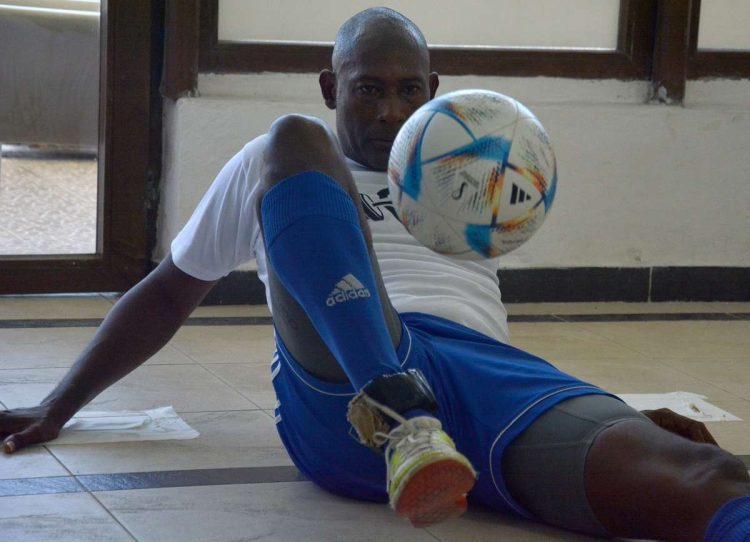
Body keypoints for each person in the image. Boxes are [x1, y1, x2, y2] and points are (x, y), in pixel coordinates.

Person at [1, 7, 748, 541]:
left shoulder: (477, 161)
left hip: (483, 380)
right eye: (368, 88)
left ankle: (426, 429)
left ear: (434, 85)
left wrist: (601, 412)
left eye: (408, 88)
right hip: (345, 385)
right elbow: (169, 290)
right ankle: (398, 410)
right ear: (332, 88)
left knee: (705, 479)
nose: (390, 111)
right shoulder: (273, 165)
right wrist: (59, 404)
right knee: (289, 142)